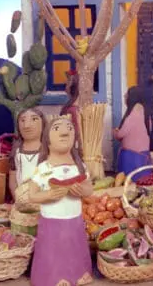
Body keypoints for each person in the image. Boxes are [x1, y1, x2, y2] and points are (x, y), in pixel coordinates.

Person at [23, 115, 94, 286]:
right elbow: (32, 195)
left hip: (74, 219)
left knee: (74, 247)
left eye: (70, 129)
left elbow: (89, 189)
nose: (65, 132)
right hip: (51, 221)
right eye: (57, 129)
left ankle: (79, 274)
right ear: (47, 140)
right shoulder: (43, 168)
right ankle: (52, 278)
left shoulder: (79, 167)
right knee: (53, 250)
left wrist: (81, 190)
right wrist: (48, 195)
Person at [114, 86, 152, 177]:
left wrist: (115, 132)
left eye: (127, 94)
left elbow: (121, 134)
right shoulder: (144, 112)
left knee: (130, 181)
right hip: (144, 155)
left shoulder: (134, 113)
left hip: (132, 157)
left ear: (132, 97)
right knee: (143, 180)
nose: (124, 96)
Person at [10, 107, 44, 198]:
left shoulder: (48, 149)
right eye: (22, 120)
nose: (27, 126)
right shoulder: (16, 150)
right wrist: (18, 198)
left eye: (34, 119)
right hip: (21, 197)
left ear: (43, 124)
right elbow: (12, 179)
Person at [62, 71, 82, 151]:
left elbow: (77, 132)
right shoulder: (72, 109)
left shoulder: (72, 110)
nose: (65, 86)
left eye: (67, 82)